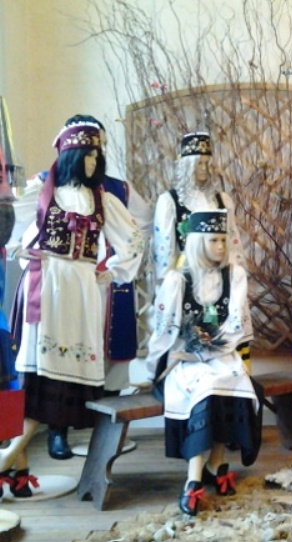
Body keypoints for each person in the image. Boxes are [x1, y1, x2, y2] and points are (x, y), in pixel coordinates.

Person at [0, 122, 144, 494]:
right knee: (33, 377)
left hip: (80, 292)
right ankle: (13, 465)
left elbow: (133, 238)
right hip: (46, 286)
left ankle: (12, 466)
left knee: (58, 376)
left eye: (97, 155)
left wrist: (112, 272)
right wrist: (18, 250)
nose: (94, 162)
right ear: (72, 157)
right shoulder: (42, 193)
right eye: (88, 155)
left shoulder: (102, 200)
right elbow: (7, 221)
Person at [142, 209, 260, 516]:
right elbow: (165, 330)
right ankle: (193, 480)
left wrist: (213, 345)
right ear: (197, 242)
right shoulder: (178, 280)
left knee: (233, 379)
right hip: (183, 360)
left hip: (222, 354)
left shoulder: (233, 275)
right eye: (213, 240)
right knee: (207, 387)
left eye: (223, 240)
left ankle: (216, 463)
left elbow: (236, 322)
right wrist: (155, 370)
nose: (221, 246)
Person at [152, 131, 250, 370]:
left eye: (207, 163)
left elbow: (233, 242)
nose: (205, 169)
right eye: (199, 164)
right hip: (188, 276)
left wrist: (234, 276)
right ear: (187, 166)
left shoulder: (222, 200)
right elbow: (164, 250)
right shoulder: (170, 202)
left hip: (220, 274)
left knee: (226, 321)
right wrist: (166, 286)